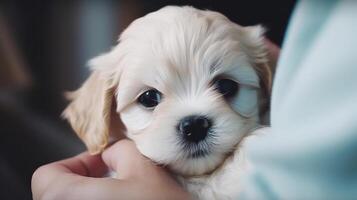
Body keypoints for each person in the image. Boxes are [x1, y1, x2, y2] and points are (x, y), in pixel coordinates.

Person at [32, 1, 357, 199]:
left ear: (267, 81)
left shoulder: (278, 160)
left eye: (226, 88)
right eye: (150, 98)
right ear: (104, 113)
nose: (194, 120)